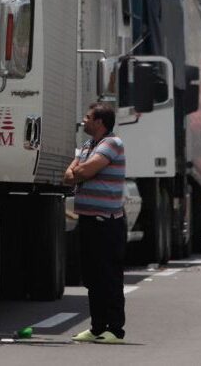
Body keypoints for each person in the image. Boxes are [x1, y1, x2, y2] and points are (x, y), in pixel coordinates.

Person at [64, 102, 127, 344]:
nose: (84, 121)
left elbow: (82, 172)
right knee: (91, 277)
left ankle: (115, 329)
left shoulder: (112, 143)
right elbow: (69, 175)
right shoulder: (88, 145)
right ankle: (97, 327)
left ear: (100, 122)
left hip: (107, 223)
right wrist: (78, 171)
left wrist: (79, 171)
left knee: (109, 276)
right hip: (88, 220)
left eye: (88, 117)